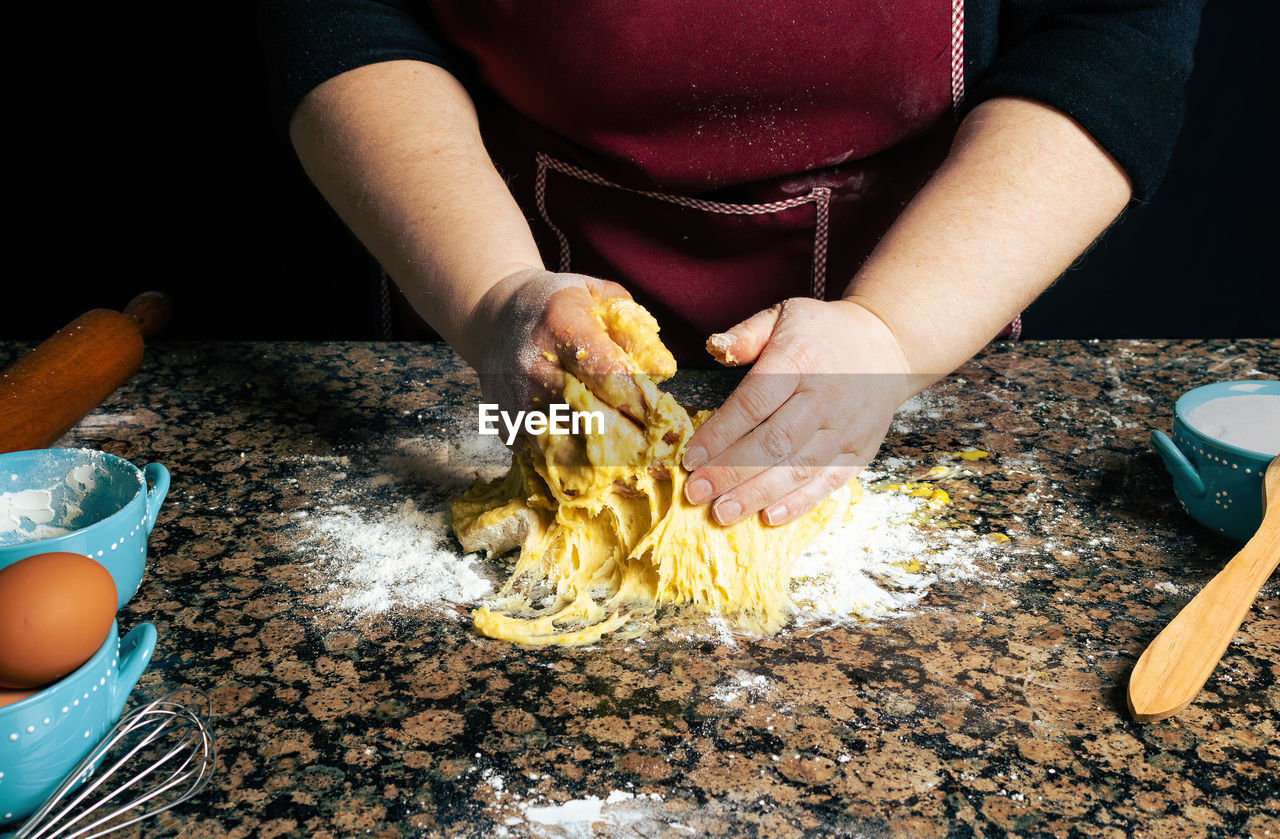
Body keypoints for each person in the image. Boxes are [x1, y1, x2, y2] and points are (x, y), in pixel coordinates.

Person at [259, 0, 1204, 529]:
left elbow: (1112, 33)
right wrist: (491, 293)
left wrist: (892, 334)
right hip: (489, 262)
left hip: (929, 278)